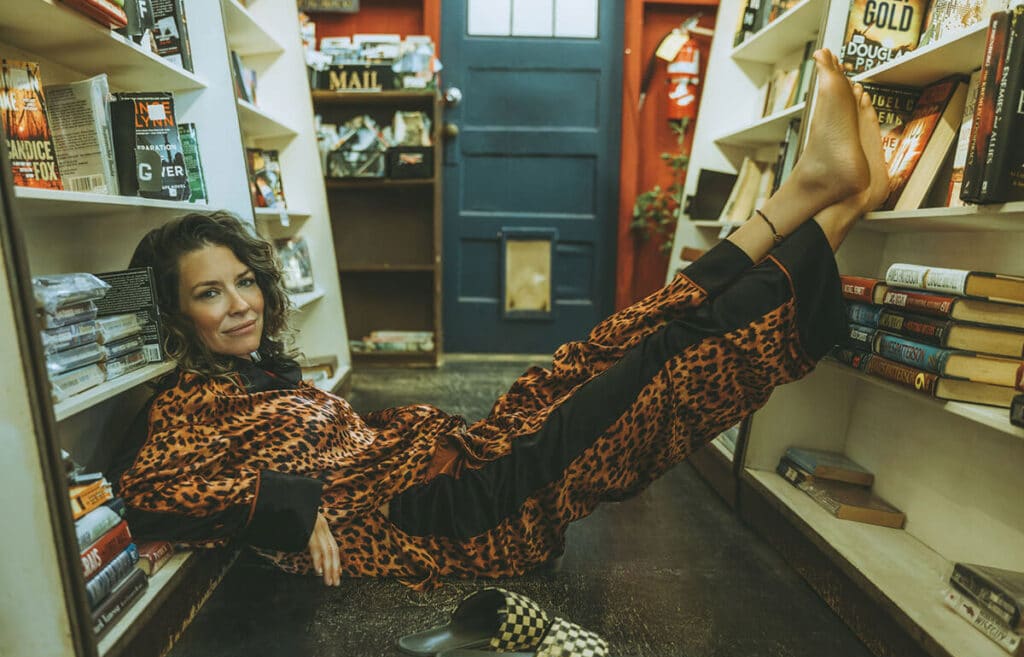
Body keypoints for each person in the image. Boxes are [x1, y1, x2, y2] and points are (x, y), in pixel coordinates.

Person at [114, 50, 890, 591]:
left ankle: (825, 193)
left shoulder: (253, 374)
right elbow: (146, 491)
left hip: (455, 460)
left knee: (612, 342)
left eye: (242, 281)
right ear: (175, 313)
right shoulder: (192, 401)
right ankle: (834, 200)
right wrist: (289, 508)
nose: (240, 302)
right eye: (210, 293)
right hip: (463, 517)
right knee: (662, 365)